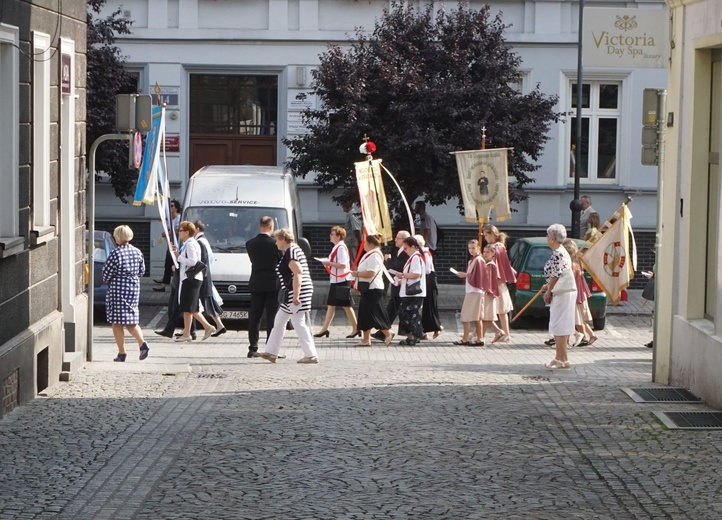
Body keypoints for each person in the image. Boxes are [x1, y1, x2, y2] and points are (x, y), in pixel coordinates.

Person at [258, 228, 318, 364]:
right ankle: (271, 351)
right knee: (280, 320)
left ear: (283, 239)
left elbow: (298, 273)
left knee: (297, 323)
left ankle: (310, 354)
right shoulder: (294, 250)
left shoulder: (291, 252)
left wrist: (296, 296)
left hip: (296, 293)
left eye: (277, 240)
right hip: (296, 292)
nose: (275, 243)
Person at [102, 225, 150, 362]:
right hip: (133, 288)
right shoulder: (137, 251)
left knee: (116, 322)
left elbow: (106, 273)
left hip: (118, 289)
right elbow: (141, 271)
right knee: (131, 320)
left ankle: (122, 353)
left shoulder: (115, 253)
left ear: (118, 237)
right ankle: (142, 343)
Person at [173, 221, 216, 342]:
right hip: (191, 278)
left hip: (191, 279)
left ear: (187, 232)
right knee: (190, 307)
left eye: (180, 231)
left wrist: (179, 257)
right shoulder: (188, 244)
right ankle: (198, 329)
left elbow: (193, 261)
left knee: (188, 307)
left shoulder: (191, 244)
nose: (179, 233)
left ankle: (190, 332)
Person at [542, 224, 577, 369]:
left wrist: (548, 291)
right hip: (564, 291)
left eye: (547, 236)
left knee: (559, 325)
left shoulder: (558, 254)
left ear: (552, 238)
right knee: (558, 324)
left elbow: (556, 276)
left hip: (562, 292)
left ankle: (563, 359)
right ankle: (559, 358)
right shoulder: (560, 252)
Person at [246, 216, 281, 358]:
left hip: (256, 281)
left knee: (255, 316)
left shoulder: (250, 243)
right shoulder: (275, 243)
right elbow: (280, 261)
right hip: (273, 282)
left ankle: (253, 348)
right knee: (272, 315)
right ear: (271, 227)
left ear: (259, 226)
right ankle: (270, 348)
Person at [351, 235, 395, 347]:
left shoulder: (374, 255)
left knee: (374, 313)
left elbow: (371, 273)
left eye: (365, 243)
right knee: (365, 314)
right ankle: (366, 339)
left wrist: (356, 274)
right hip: (369, 289)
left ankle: (387, 333)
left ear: (371, 244)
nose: (364, 245)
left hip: (373, 288)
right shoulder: (371, 255)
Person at [315, 226, 358, 338]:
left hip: (342, 280)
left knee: (346, 305)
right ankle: (324, 329)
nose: (330, 236)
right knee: (331, 305)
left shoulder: (341, 248)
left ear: (338, 236)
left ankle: (356, 328)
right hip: (337, 280)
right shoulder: (337, 247)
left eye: (332, 234)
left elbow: (343, 264)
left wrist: (329, 264)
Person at [371, 230, 410, 342]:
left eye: (398, 238)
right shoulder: (400, 250)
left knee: (396, 309)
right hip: (397, 283)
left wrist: (388, 260)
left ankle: (418, 332)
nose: (395, 240)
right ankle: (383, 332)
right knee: (392, 308)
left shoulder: (404, 253)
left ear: (404, 240)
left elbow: (397, 266)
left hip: (401, 284)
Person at [482, 224, 515, 343]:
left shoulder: (496, 247)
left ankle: (498, 333)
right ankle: (504, 333)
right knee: (501, 310)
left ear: (491, 234)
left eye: (486, 235)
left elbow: (496, 264)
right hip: (499, 281)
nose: (485, 238)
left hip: (496, 281)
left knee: (492, 310)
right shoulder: (500, 246)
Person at [194, 220, 227, 337]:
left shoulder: (199, 242)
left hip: (202, 277)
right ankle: (219, 325)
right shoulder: (204, 241)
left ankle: (192, 330)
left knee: (197, 303)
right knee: (209, 302)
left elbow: (201, 261)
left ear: (197, 229)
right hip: (206, 276)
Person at [563, 239, 597, 346]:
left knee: (575, 318)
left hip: (575, 295)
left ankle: (581, 337)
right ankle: (590, 335)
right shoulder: (578, 262)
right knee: (577, 317)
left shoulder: (572, 265)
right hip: (580, 293)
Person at [395, 236, 426, 346]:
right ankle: (412, 336)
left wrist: (402, 275)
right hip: (410, 291)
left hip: (414, 292)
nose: (404, 251)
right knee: (406, 313)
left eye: (406, 248)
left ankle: (415, 335)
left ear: (413, 247)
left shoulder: (416, 257)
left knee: (410, 314)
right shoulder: (413, 257)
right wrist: (402, 280)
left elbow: (416, 274)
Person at [453, 239, 484, 346]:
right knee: (476, 316)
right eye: (469, 248)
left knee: (468, 316)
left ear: (478, 248)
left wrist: (465, 275)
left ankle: (471, 338)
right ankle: (477, 338)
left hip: (475, 291)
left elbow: (478, 277)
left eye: (473, 248)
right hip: (472, 290)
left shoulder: (478, 260)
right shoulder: (473, 260)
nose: (471, 250)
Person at [415, 234, 443, 339]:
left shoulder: (425, 253)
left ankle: (436, 326)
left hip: (428, 280)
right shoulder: (422, 252)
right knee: (426, 306)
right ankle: (428, 329)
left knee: (429, 305)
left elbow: (427, 269)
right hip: (426, 279)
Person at [154, 199, 181, 292]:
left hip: (177, 245)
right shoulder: (170, 219)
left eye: (172, 206)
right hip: (170, 244)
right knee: (168, 263)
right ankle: (165, 281)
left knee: (170, 263)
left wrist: (168, 233)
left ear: (176, 208)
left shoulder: (179, 218)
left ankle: (164, 283)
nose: (170, 208)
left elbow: (177, 231)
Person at [479, 244, 503, 344]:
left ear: (493, 254)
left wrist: (486, 289)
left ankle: (483, 336)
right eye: (484, 252)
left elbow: (488, 280)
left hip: (488, 293)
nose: (485, 254)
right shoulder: (488, 264)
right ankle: (497, 332)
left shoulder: (490, 265)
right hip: (489, 292)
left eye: (488, 252)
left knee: (485, 316)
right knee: (486, 316)